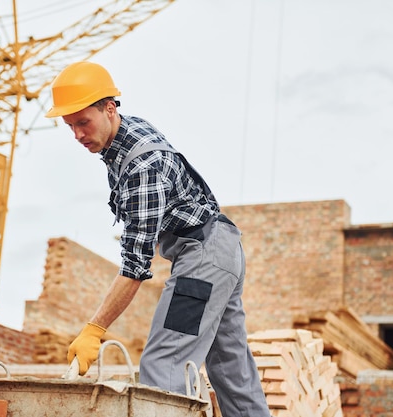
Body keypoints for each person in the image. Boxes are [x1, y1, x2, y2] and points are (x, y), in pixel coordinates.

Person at [45, 61, 271, 417]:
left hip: (205, 261)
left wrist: (95, 328)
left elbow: (135, 266)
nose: (77, 134)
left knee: (164, 366)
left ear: (109, 108)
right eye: (69, 126)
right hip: (222, 248)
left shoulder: (141, 169)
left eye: (83, 122)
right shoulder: (125, 132)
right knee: (231, 370)